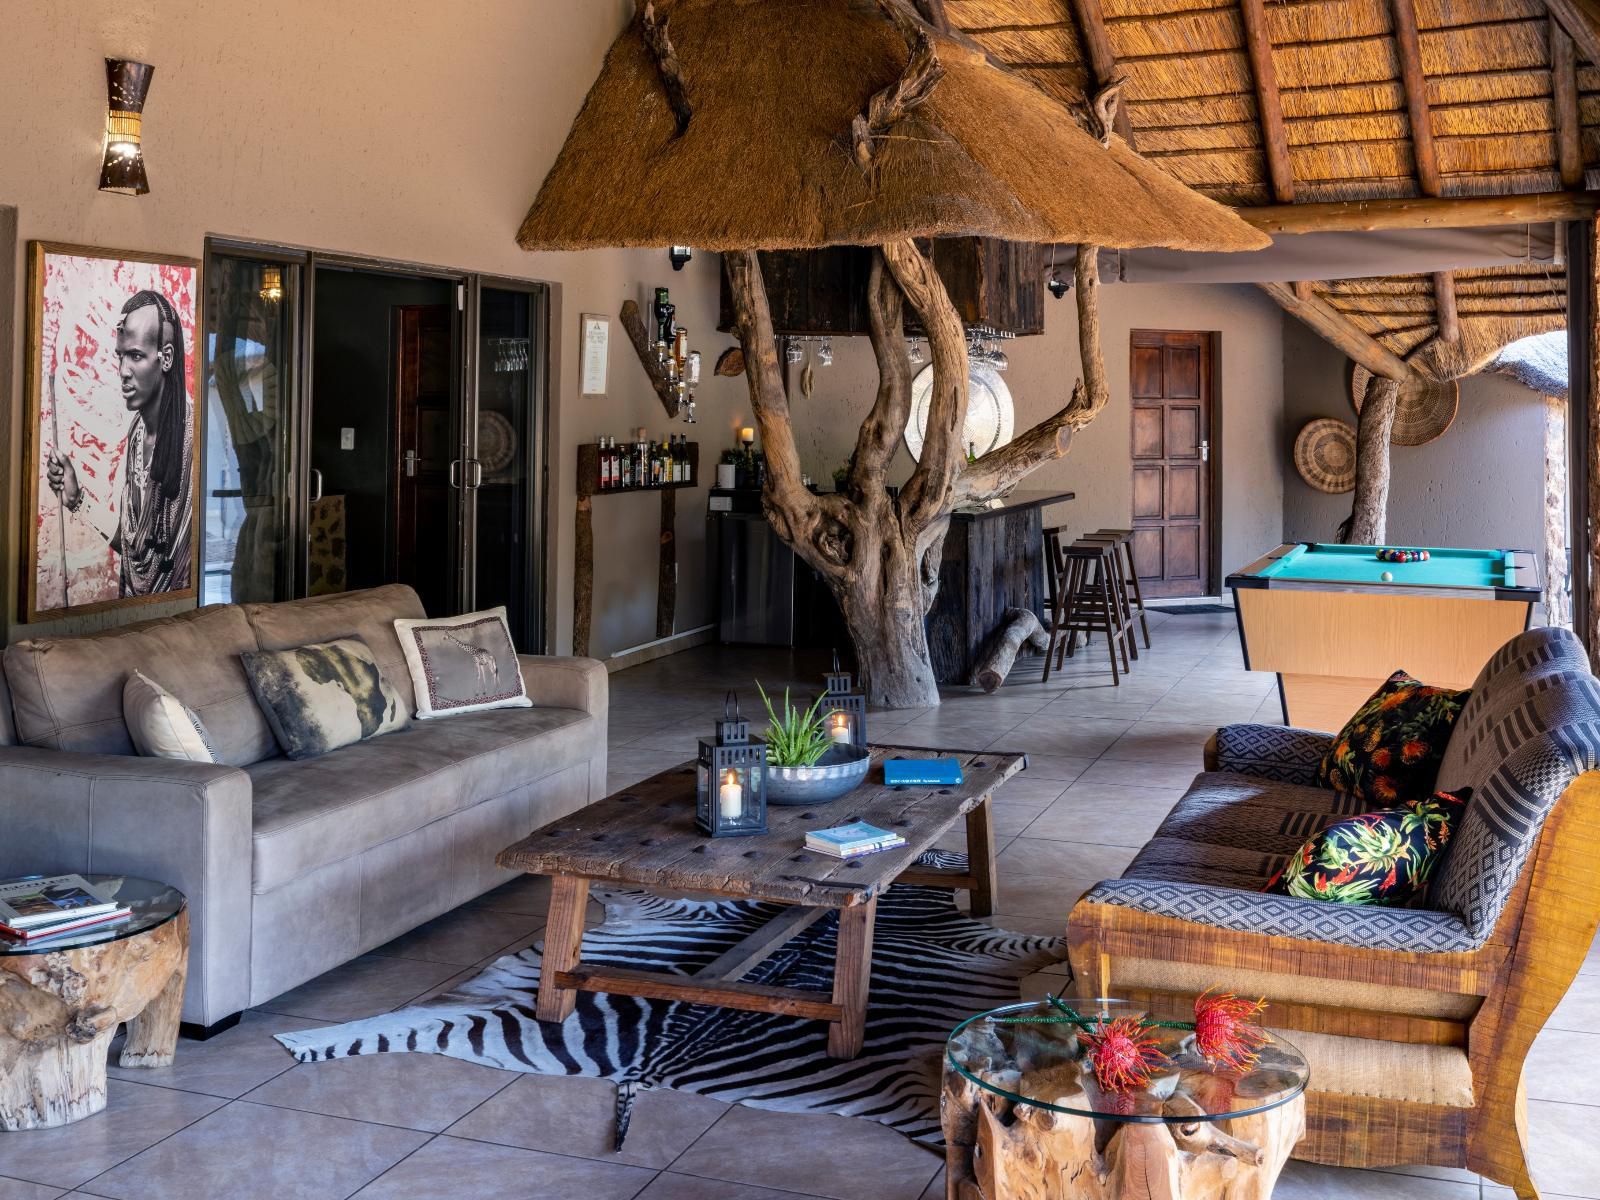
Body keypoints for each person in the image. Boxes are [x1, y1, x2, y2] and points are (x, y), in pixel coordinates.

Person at [47, 289, 193, 598]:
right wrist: (76, 499)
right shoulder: (137, 435)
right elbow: (132, 547)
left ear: (165, 358)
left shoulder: (191, 439)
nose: (123, 371)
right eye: (121, 356)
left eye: (136, 355)